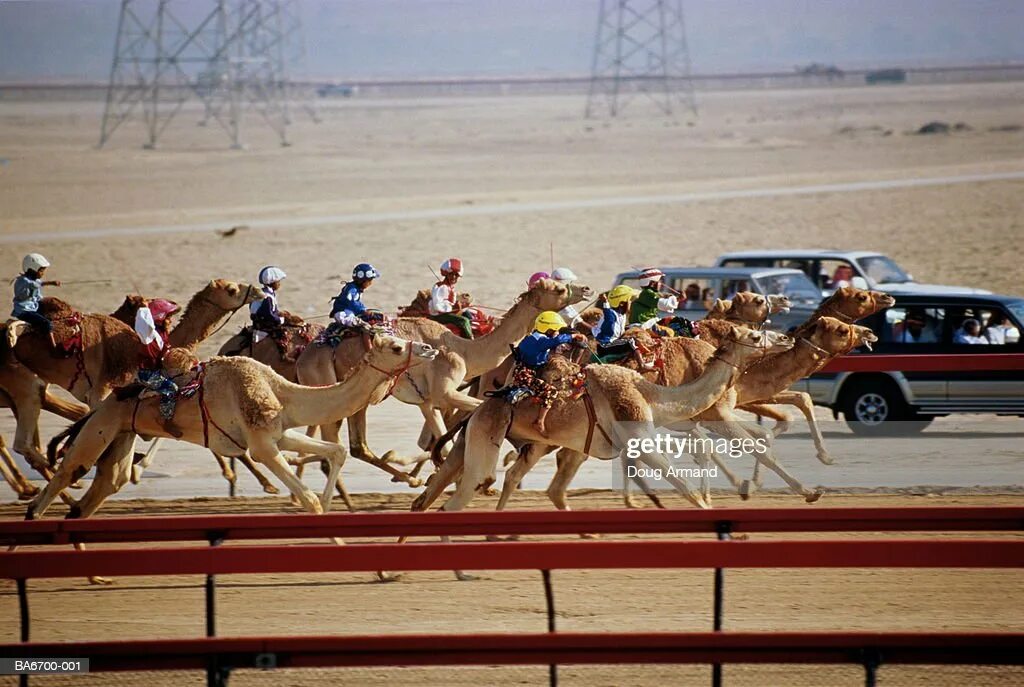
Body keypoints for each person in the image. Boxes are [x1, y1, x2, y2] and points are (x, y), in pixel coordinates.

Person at [512, 311, 586, 436]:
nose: (557, 333)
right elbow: (554, 342)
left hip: (536, 367)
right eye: (556, 330)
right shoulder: (540, 341)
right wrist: (572, 337)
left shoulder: (534, 337)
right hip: (527, 374)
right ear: (549, 330)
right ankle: (539, 422)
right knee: (551, 391)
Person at [134, 298, 184, 437]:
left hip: (159, 370)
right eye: (168, 317)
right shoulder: (149, 335)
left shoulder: (163, 333)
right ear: (160, 317)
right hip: (147, 374)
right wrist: (144, 309)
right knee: (170, 389)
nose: (171, 321)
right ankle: (165, 421)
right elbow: (143, 324)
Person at [11, 253, 61, 347]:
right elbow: (32, 285)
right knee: (46, 323)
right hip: (24, 311)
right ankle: (53, 346)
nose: (43, 273)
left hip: (33, 307)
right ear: (32, 269)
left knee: (51, 315)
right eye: (41, 270)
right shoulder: (22, 281)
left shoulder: (36, 281)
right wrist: (51, 283)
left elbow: (38, 296)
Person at [594, 285, 650, 368]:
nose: (631, 303)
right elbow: (608, 313)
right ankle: (642, 365)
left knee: (635, 338)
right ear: (621, 304)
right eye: (629, 300)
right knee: (630, 342)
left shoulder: (621, 315)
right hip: (605, 346)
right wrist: (605, 302)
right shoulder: (611, 314)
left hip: (614, 342)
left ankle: (644, 351)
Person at [429, 257, 473, 338]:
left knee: (468, 314)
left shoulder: (451, 288)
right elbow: (437, 306)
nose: (453, 277)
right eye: (451, 274)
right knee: (464, 321)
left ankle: (467, 333)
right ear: (446, 274)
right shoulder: (440, 287)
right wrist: (452, 307)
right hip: (439, 315)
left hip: (448, 312)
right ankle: (470, 341)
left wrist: (459, 305)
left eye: (456, 275)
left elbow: (450, 302)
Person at [331, 263, 381, 327]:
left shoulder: (357, 289)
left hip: (350, 310)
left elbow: (357, 303)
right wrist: (363, 310)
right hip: (342, 311)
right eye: (369, 281)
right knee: (354, 322)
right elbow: (352, 302)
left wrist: (364, 309)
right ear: (362, 281)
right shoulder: (352, 290)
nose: (370, 283)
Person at [250, 265, 287, 343]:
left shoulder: (262, 293)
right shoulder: (268, 296)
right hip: (264, 328)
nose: (279, 284)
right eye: (278, 281)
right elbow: (267, 314)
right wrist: (280, 320)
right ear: (272, 282)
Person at [551, 266, 589, 331]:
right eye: (569, 283)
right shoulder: (556, 301)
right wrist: (595, 331)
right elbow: (575, 321)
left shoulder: (563, 300)